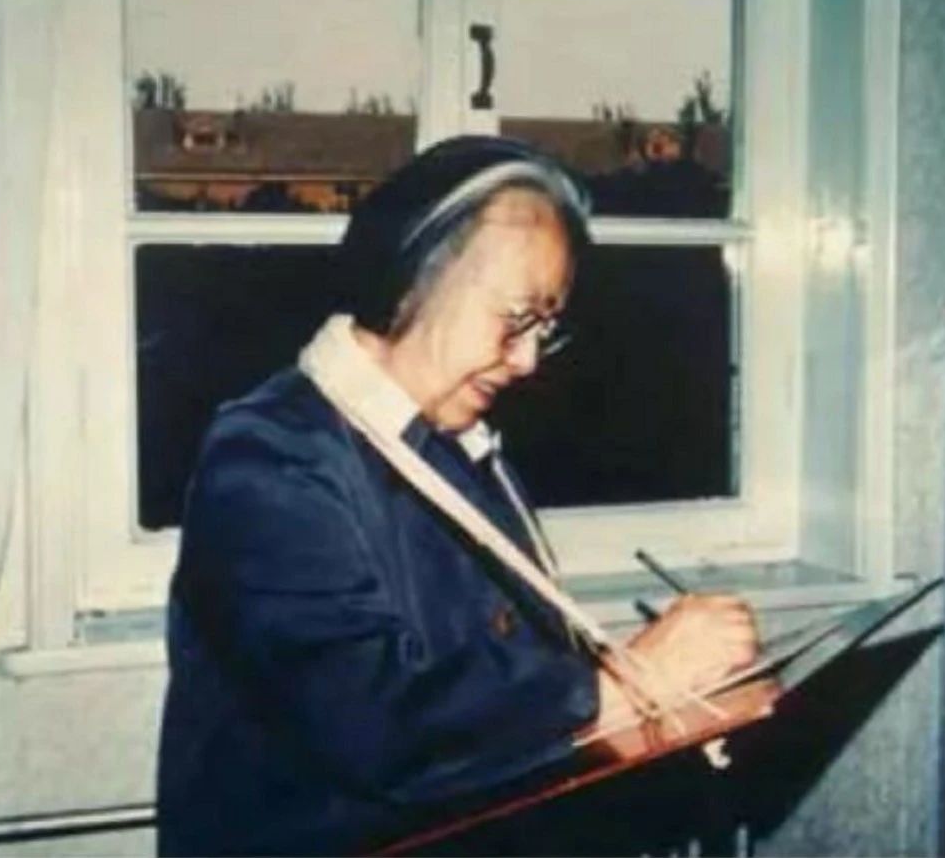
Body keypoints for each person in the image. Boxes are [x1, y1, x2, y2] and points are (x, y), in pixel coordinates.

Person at [156, 136, 758, 856]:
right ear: (411, 277)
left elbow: (504, 698)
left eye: (545, 329)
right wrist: (626, 686)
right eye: (517, 318)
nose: (527, 361)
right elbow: (375, 723)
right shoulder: (268, 457)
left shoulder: (453, 445)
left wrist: (656, 696)